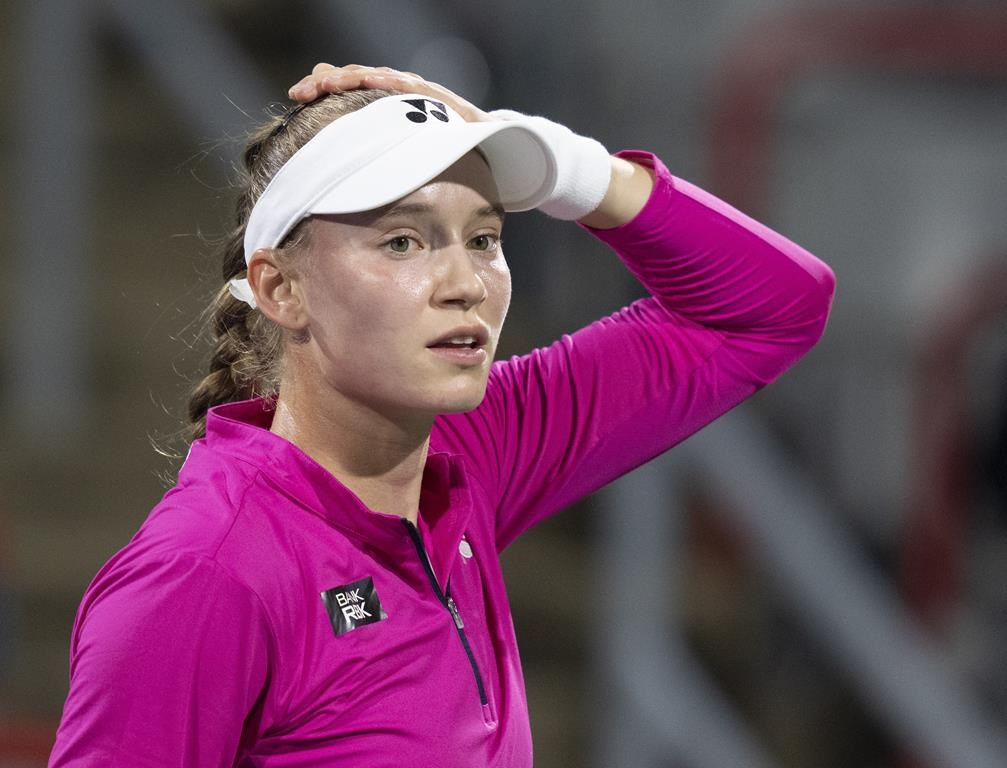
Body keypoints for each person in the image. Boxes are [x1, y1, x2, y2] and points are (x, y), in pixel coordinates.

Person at [49, 64, 835, 767]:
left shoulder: (468, 455)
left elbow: (773, 308)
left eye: (484, 237)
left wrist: (562, 167)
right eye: (402, 242)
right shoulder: (205, 573)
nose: (465, 283)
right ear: (282, 289)